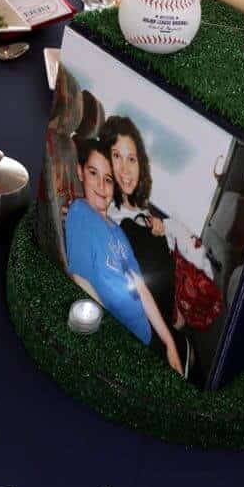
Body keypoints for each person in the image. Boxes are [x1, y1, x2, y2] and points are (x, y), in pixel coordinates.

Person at [64, 137, 184, 375]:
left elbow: (140, 287)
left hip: (148, 332)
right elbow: (81, 282)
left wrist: (169, 343)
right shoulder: (80, 212)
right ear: (79, 172)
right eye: (92, 173)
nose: (101, 185)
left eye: (108, 180)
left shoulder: (118, 231)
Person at [99, 115, 221, 338]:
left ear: (141, 164)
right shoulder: (112, 217)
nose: (125, 169)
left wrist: (168, 232)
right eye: (116, 156)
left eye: (132, 159)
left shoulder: (144, 215)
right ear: (105, 159)